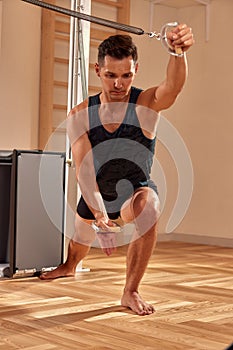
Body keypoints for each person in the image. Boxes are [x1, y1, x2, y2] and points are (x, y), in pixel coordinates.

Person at [40, 24, 194, 316]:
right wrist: (99, 215)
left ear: (136, 70)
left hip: (133, 195)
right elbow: (84, 170)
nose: (119, 84)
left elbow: (172, 88)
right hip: (96, 191)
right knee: (79, 240)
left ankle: (130, 292)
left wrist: (177, 53)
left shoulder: (145, 104)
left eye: (126, 75)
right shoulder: (80, 115)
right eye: (111, 75)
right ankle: (69, 267)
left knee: (149, 208)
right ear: (98, 70)